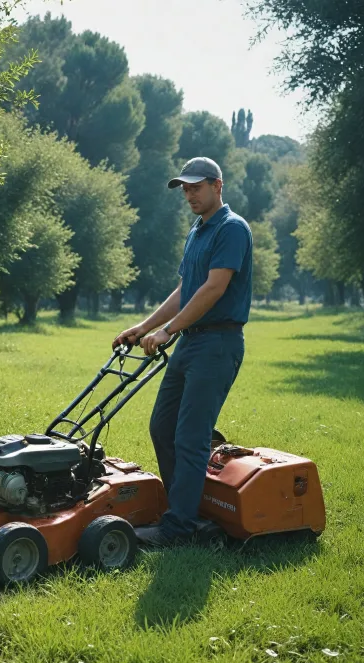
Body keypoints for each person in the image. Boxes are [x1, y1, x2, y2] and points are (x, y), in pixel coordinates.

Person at [113, 156, 253, 547]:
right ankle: (185, 509)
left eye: (196, 188)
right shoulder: (198, 230)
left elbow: (213, 289)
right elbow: (184, 291)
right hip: (190, 342)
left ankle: (178, 527)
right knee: (163, 426)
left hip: (217, 343)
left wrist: (168, 331)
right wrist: (145, 327)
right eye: (185, 190)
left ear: (217, 186)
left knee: (191, 437)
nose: (189, 195)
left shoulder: (232, 229)